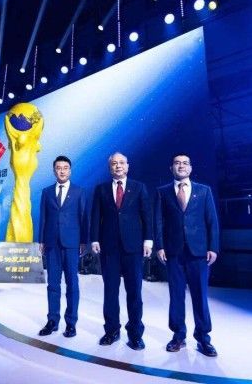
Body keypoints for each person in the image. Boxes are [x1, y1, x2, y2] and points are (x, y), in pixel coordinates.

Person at [154, 153, 219, 357]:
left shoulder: (204, 191)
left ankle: (203, 338)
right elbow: (158, 222)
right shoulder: (162, 192)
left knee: (200, 296)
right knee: (176, 296)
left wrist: (213, 247)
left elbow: (212, 221)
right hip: (173, 252)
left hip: (199, 252)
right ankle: (178, 336)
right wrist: (159, 246)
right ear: (171, 168)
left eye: (185, 163)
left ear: (190, 168)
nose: (181, 166)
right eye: (177, 163)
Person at [90, 152, 152, 350]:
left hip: (133, 247)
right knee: (110, 292)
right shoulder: (101, 189)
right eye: (114, 163)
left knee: (134, 292)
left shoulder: (139, 187)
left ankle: (135, 334)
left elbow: (147, 215)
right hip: (109, 248)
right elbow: (95, 216)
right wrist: (94, 238)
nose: (118, 166)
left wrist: (149, 240)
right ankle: (111, 331)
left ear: (127, 166)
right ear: (110, 168)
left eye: (121, 163)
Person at [38, 156, 87, 338]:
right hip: (51, 244)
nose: (62, 171)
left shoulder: (79, 191)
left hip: (72, 243)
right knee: (53, 284)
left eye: (65, 167)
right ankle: (52, 321)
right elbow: (43, 217)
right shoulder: (47, 192)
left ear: (70, 170)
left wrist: (84, 241)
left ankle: (71, 323)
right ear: (54, 170)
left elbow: (84, 217)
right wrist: (41, 240)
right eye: (58, 167)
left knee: (72, 283)